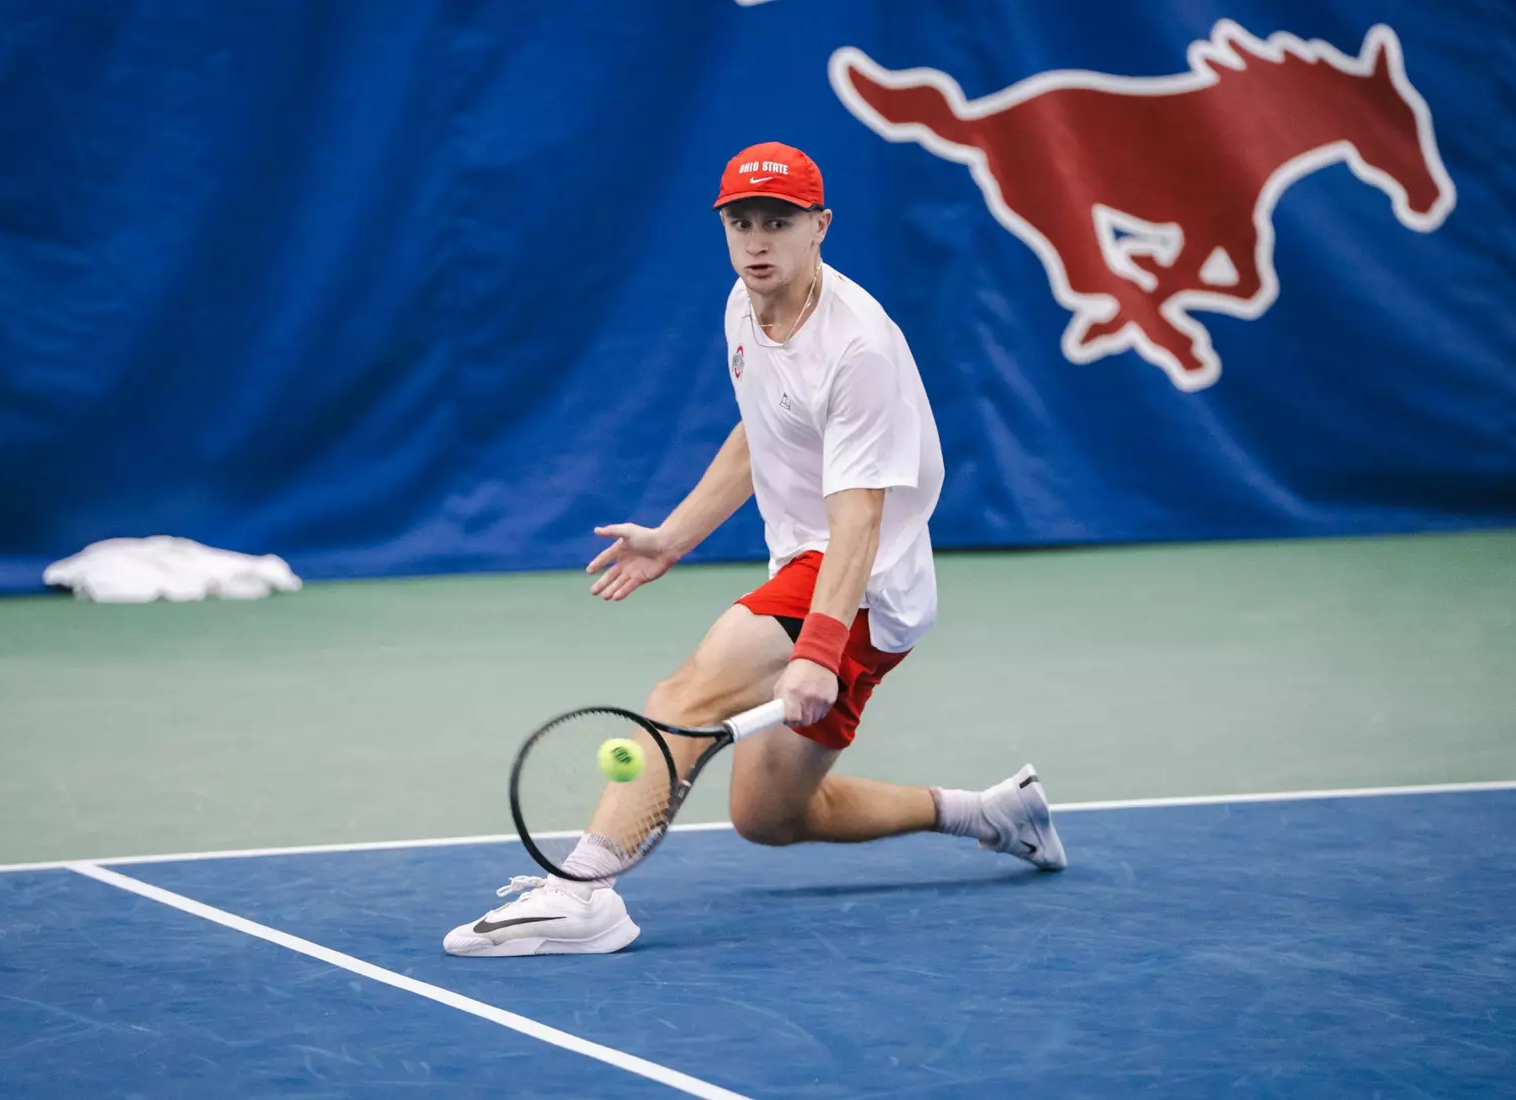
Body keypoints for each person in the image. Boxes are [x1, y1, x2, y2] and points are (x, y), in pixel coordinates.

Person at [444, 142, 1065, 958]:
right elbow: (762, 430)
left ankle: (583, 894)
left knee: (688, 692)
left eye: (779, 222)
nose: (758, 241)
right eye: (742, 223)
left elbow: (860, 519)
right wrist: (673, 536)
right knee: (769, 816)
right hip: (819, 566)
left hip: (863, 581)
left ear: (820, 226)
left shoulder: (857, 348)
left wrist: (819, 648)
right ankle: (989, 813)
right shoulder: (746, 303)